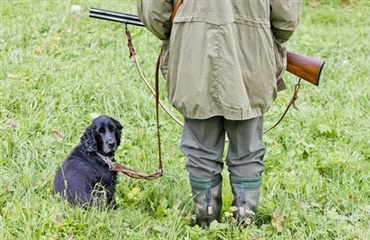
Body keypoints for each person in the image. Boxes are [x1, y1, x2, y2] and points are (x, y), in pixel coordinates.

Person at [136, 0, 302, 228]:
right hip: (252, 54)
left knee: (200, 149)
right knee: (248, 150)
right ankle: (244, 222)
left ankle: (206, 222)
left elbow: (156, 13)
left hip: (192, 51)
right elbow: (287, 17)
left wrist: (185, 30)